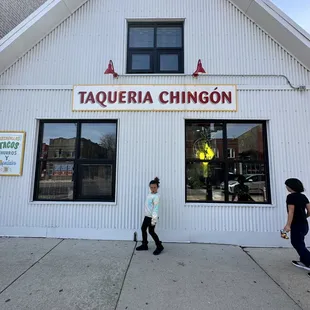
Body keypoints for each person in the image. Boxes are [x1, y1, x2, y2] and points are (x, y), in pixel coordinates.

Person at [283, 178, 310, 271]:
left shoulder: (291, 197)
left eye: (287, 185)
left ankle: (309, 262)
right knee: (300, 242)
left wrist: (288, 225)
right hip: (304, 224)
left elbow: (291, 212)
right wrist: (305, 216)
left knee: (297, 243)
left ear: (291, 187)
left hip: (296, 225)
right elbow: (309, 210)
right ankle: (304, 260)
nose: (286, 187)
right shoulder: (303, 196)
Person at [136, 177, 164, 255]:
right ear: (149, 187)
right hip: (147, 216)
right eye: (151, 187)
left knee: (151, 231)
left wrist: (154, 219)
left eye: (154, 187)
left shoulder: (156, 197)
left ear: (157, 187)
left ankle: (159, 246)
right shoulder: (150, 194)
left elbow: (155, 208)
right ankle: (145, 245)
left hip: (152, 217)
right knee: (143, 229)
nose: (153, 189)